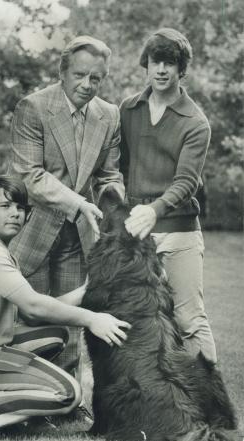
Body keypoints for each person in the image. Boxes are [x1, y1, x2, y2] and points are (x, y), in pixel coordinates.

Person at [0, 175, 130, 439]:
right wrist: (93, 319)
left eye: (20, 208)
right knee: (68, 393)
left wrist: (86, 292)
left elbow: (28, 312)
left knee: (56, 334)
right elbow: (34, 306)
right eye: (5, 206)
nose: (15, 214)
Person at [8, 35, 125, 376]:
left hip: (76, 237)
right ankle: (29, 396)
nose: (88, 85)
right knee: (32, 320)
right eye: (80, 75)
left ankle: (68, 403)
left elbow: (109, 176)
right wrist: (78, 202)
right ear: (63, 71)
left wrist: (117, 209)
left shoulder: (110, 115)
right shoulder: (33, 107)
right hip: (32, 232)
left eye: (96, 78)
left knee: (72, 323)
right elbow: (30, 175)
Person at [120, 28, 217, 364]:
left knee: (189, 320)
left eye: (169, 63)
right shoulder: (128, 109)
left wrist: (154, 210)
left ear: (181, 69)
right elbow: (120, 168)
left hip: (179, 231)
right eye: (155, 61)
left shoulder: (195, 122)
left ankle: (211, 405)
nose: (161, 69)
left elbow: (187, 181)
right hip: (136, 232)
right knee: (137, 319)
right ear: (145, 65)